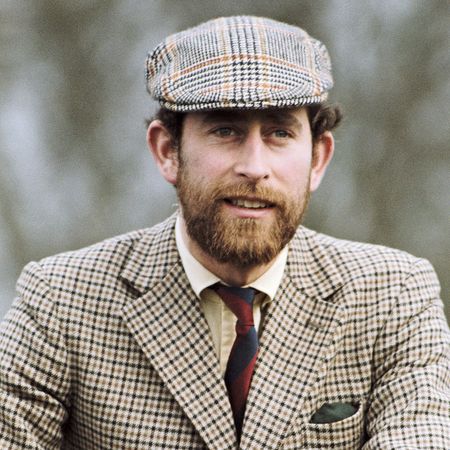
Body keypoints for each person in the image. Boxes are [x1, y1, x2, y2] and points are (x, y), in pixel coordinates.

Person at [0, 15, 449, 450]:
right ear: (167, 151)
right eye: (225, 130)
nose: (254, 167)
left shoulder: (394, 297)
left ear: (317, 159)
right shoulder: (61, 303)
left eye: (278, 132)